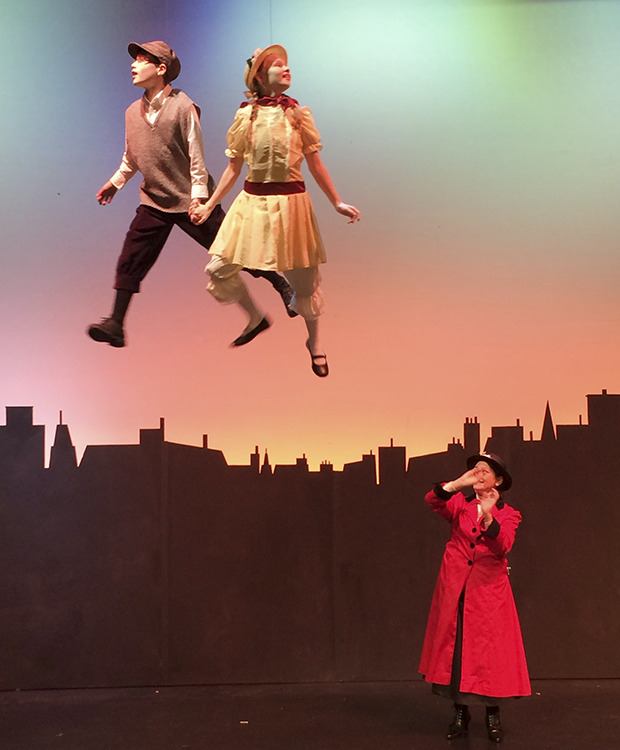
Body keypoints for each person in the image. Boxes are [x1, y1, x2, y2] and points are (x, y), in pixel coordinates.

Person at [88, 40, 295, 348]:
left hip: (191, 199)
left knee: (232, 250)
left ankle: (279, 283)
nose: (133, 65)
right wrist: (115, 183)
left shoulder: (183, 106)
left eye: (142, 60)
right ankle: (116, 324)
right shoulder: (131, 112)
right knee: (131, 257)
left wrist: (199, 199)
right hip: (155, 200)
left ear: (161, 69)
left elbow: (197, 155)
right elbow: (132, 157)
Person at [190, 44, 360, 376]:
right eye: (277, 65)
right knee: (218, 268)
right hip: (253, 205)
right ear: (259, 76)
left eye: (286, 64)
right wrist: (209, 205)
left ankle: (315, 342)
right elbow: (233, 169)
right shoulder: (246, 116)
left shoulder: (298, 114)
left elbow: (315, 163)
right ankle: (255, 317)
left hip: (291, 206)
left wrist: (336, 201)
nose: (286, 68)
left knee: (305, 284)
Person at [419, 452, 530, 743]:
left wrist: (489, 516)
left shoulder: (509, 513)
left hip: (488, 591)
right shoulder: (460, 504)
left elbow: (503, 544)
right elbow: (433, 500)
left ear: (499, 480)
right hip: (456, 585)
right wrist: (457, 484)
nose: (478, 475)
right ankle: (460, 712)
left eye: (485, 471)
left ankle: (493, 714)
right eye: (476, 470)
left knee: (489, 653)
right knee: (458, 650)